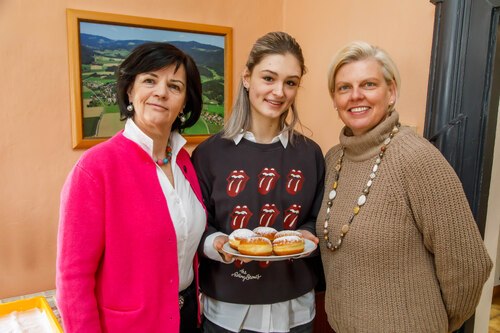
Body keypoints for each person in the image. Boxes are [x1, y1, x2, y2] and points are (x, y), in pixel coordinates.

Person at [317, 40, 493, 333]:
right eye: (344, 87)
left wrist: (433, 323)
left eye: (369, 84)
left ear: (391, 92)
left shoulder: (417, 158)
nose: (355, 95)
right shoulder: (334, 158)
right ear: (334, 99)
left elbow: (470, 265)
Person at [56, 42, 206, 332]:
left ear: (185, 102)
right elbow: (73, 278)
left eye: (174, 86)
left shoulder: (185, 161)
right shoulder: (95, 169)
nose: (161, 92)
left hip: (188, 318)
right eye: (150, 80)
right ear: (130, 90)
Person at [191, 31, 325, 333]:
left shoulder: (311, 154)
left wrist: (306, 235)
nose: (279, 91)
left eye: (290, 82)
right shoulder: (208, 155)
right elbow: (197, 226)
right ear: (247, 77)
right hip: (228, 310)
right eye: (269, 78)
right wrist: (217, 243)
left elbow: (317, 219)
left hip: (296, 310)